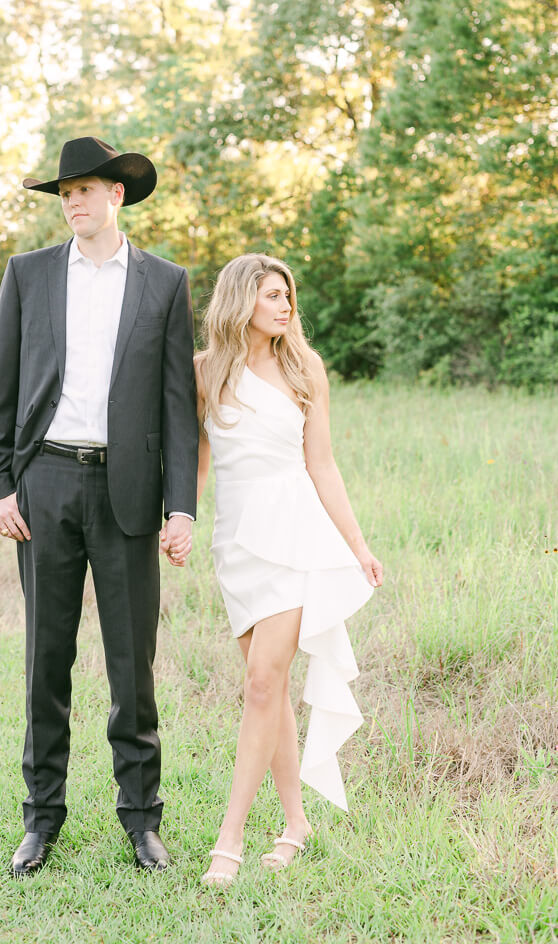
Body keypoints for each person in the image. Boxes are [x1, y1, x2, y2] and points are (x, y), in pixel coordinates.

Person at [0, 136, 198, 877]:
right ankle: (41, 821)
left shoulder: (165, 284)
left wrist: (183, 508)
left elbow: (177, 408)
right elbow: (1, 393)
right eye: (63, 192)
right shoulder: (28, 275)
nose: (72, 201)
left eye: (85, 189)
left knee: (132, 665)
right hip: (44, 485)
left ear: (118, 196)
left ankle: (142, 822)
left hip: (129, 494)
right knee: (47, 659)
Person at [195, 254, 383, 886]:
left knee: (260, 685)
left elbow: (322, 465)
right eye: (270, 295)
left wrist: (357, 546)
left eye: (287, 296)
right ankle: (296, 822)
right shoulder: (205, 373)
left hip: (295, 535)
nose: (284, 306)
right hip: (237, 543)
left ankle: (230, 840)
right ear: (238, 300)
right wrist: (178, 521)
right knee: (266, 689)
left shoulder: (305, 369)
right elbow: (195, 464)